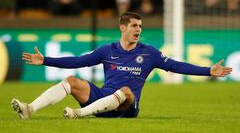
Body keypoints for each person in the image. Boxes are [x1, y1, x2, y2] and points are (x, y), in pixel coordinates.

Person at [11, 12, 232, 119]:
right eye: (134, 26)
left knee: (126, 91)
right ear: (123, 28)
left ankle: (79, 114)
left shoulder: (149, 53)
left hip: (127, 107)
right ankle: (30, 109)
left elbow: (175, 66)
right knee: (71, 81)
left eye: (141, 26)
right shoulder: (108, 50)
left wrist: (207, 70)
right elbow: (78, 61)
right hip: (102, 100)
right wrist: (46, 60)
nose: (138, 30)